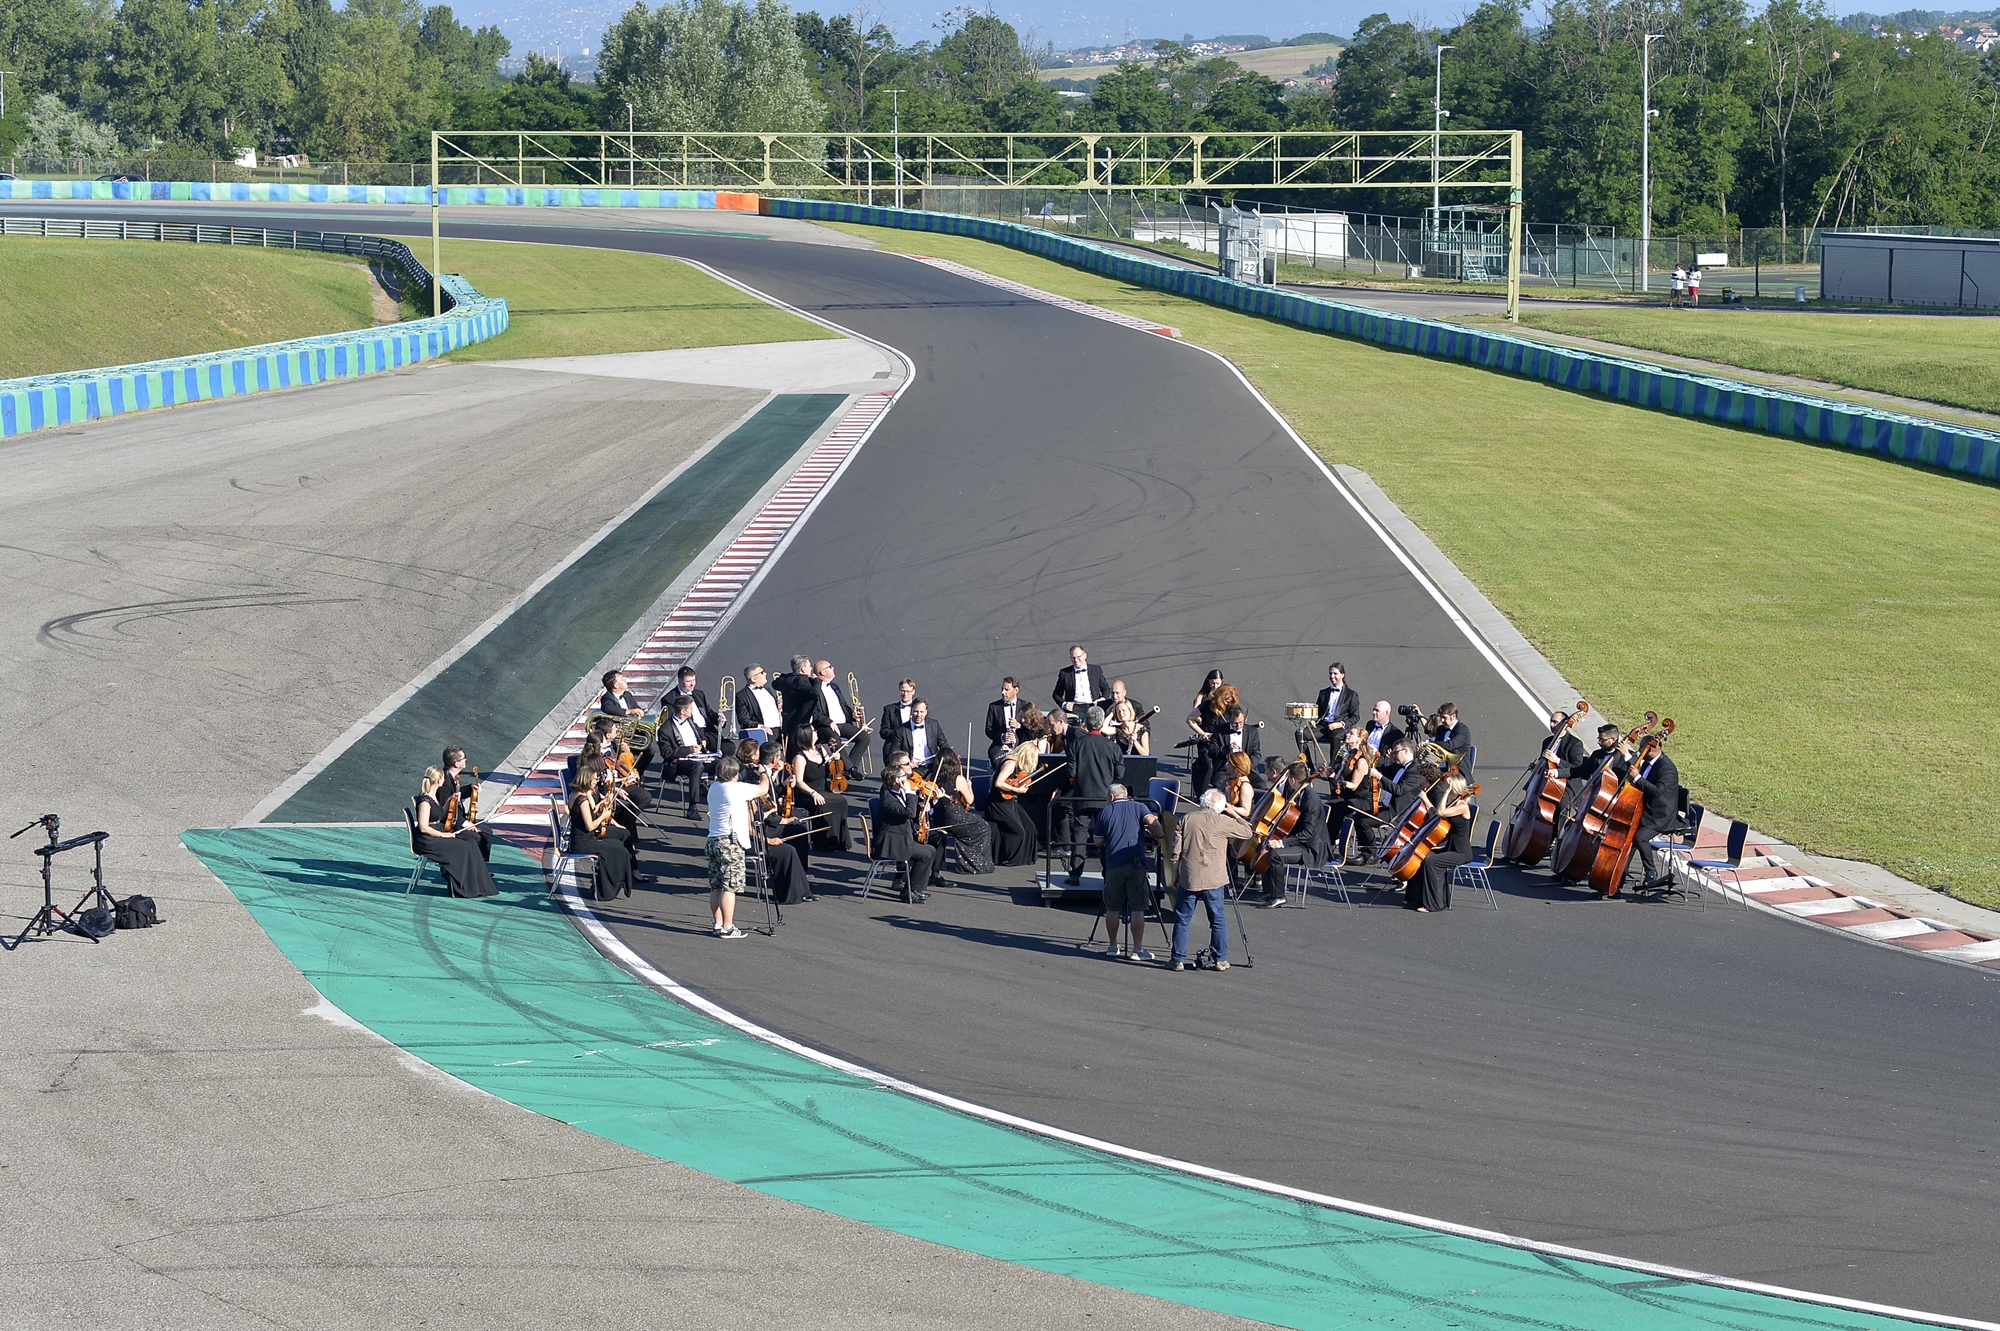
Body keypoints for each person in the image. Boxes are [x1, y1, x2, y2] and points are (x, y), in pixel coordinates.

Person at [1168, 788, 1252, 970]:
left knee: (1182, 919)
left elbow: (1175, 851)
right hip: (1214, 879)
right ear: (1219, 806)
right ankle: (1220, 959)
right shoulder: (1223, 821)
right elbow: (1247, 832)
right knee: (1217, 920)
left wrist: (1175, 873)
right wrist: (1233, 813)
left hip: (1189, 878)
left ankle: (1177, 959)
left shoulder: (1186, 819)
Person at [1091, 783, 1161, 960]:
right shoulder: (1139, 807)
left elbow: (1098, 841)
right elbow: (1154, 823)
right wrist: (1158, 836)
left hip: (1113, 864)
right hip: (1136, 863)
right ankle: (1138, 949)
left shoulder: (1105, 812)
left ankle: (1113, 945)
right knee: (1137, 908)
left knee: (1112, 907)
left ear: (1112, 797)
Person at [413, 758, 497, 898]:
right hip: (428, 840)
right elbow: (423, 828)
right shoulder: (425, 801)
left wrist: (450, 801)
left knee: (470, 843)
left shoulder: (433, 796)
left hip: (435, 833)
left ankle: (477, 883)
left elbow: (439, 815)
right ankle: (462, 887)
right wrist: (443, 835)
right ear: (439, 780)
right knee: (463, 846)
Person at [1061, 706, 1124, 885]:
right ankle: (1107, 874)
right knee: (1106, 836)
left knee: (1080, 835)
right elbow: (1119, 774)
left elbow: (1070, 771)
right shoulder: (1112, 747)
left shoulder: (1077, 745)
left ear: (1087, 723)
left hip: (1082, 797)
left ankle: (1074, 874)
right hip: (1105, 798)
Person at [1255, 760, 1331, 907]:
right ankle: (1269, 891)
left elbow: (1308, 833)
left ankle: (1279, 896)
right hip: (1302, 842)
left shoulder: (1311, 800)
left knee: (1276, 854)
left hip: (1312, 849)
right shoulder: (1300, 792)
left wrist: (1282, 842)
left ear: (1293, 780)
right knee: (1267, 846)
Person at [705, 755, 765, 937]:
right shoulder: (735, 789)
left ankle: (718, 923)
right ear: (734, 775)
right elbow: (763, 789)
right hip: (730, 842)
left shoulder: (714, 787)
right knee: (730, 886)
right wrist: (765, 773)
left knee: (716, 885)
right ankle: (728, 927)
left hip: (713, 839)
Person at [756, 740, 814, 904]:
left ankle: (801, 877)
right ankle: (795, 886)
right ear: (774, 759)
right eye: (779, 756)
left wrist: (783, 785)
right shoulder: (760, 777)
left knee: (801, 832)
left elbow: (771, 798)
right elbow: (761, 810)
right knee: (790, 848)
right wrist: (784, 820)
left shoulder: (767, 773)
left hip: (770, 823)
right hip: (764, 829)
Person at [877, 753, 940, 904]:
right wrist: (910, 792)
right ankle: (908, 892)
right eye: (904, 779)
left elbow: (912, 808)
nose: (907, 781)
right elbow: (909, 813)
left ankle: (916, 889)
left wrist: (932, 801)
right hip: (892, 842)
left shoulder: (897, 792)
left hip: (902, 836)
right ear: (897, 780)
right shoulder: (888, 799)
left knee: (930, 850)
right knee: (925, 855)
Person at [1407, 774, 1474, 913]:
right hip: (1451, 848)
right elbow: (1438, 816)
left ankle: (1434, 904)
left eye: (1447, 785)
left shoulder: (1462, 806)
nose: (1444, 787)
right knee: (1421, 855)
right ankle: (1414, 898)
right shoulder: (1454, 804)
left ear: (1454, 787)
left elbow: (1440, 811)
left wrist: (1447, 792)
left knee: (1432, 862)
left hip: (1461, 852)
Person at [1623, 738, 1683, 893]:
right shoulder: (1649, 763)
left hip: (1661, 815)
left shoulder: (1666, 768)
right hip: (1646, 811)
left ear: (1652, 748)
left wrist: (1637, 777)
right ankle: (1620, 875)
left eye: (1642, 749)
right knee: (1630, 840)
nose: (1640, 752)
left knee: (1640, 837)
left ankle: (1651, 872)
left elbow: (1657, 791)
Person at [569, 767, 634, 902]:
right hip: (582, 843)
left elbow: (587, 815)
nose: (595, 782)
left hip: (582, 839)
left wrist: (601, 805)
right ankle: (605, 890)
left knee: (617, 843)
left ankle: (612, 883)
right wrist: (604, 815)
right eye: (593, 779)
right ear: (586, 780)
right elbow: (590, 826)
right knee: (619, 850)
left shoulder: (574, 794)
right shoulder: (583, 801)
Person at [926, 750, 994, 877]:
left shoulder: (931, 777)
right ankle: (974, 863)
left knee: (973, 825)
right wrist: (969, 786)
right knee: (982, 826)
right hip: (955, 817)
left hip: (938, 817)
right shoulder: (958, 779)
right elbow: (970, 800)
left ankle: (967, 858)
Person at [790, 724, 852, 853]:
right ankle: (822, 841)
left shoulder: (821, 749)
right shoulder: (800, 757)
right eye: (813, 731)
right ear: (806, 735)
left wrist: (836, 759)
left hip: (824, 789)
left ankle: (838, 841)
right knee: (823, 804)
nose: (816, 732)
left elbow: (831, 767)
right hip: (807, 792)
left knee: (841, 801)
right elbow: (799, 782)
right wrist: (813, 793)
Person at [658, 694, 713, 818]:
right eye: (690, 709)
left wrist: (703, 741)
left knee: (722, 764)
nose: (692, 711)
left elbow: (701, 734)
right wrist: (688, 750)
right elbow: (667, 754)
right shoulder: (665, 729)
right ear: (683, 711)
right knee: (697, 767)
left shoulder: (690, 721)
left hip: (699, 757)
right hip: (679, 763)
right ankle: (692, 807)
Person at [987, 741, 1041, 866]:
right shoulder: (1010, 763)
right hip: (998, 803)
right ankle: (1010, 859)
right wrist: (1017, 790)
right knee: (1018, 831)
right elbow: (998, 783)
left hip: (1008, 801)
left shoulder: (1016, 765)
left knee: (1030, 827)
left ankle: (1026, 858)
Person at [659, 665, 716, 752]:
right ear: (680, 681)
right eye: (688, 681)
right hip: (692, 732)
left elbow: (708, 712)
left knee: (729, 747)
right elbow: (674, 721)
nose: (692, 684)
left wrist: (719, 718)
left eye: (694, 680)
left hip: (707, 731)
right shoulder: (669, 699)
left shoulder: (699, 694)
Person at [812, 659, 863, 745]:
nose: (833, 668)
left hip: (843, 724)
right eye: (830, 667)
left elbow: (844, 706)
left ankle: (850, 759)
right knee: (835, 740)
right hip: (828, 726)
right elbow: (814, 713)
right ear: (823, 672)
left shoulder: (834, 686)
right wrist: (829, 722)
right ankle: (844, 759)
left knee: (863, 737)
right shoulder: (815, 689)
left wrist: (852, 715)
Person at [1051, 644, 1110, 716]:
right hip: (1075, 708)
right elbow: (1056, 694)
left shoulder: (1096, 670)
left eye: (1078, 657)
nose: (1076, 660)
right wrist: (1064, 704)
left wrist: (1103, 700)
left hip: (1094, 706)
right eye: (1073, 658)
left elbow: (1106, 688)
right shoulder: (1065, 673)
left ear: (1085, 655)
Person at [887, 698, 945, 769]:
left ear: (926, 712)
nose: (918, 715)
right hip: (912, 769)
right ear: (911, 711)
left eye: (921, 712)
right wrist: (907, 762)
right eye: (916, 711)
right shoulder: (900, 730)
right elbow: (894, 753)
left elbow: (944, 745)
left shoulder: (934, 725)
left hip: (933, 766)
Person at [1315, 662, 1361, 748]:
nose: (1332, 676)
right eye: (1330, 673)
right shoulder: (1323, 693)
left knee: (1335, 737)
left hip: (1339, 727)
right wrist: (1312, 720)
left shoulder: (1351, 695)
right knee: (1301, 734)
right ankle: (1307, 761)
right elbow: (1317, 712)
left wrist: (1340, 724)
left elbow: (1355, 716)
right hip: (1323, 725)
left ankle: (1333, 762)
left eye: (1335, 673)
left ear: (1342, 675)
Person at [985, 676, 1028, 765]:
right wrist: (1002, 736)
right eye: (1002, 689)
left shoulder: (1025, 706)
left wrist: (1019, 726)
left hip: (1020, 745)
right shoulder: (994, 707)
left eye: (1006, 690)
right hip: (1001, 745)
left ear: (1016, 690)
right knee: (996, 758)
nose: (1003, 692)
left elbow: (1032, 727)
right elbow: (988, 730)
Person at [737, 663, 785, 737]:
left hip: (780, 730)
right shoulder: (742, 696)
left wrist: (779, 707)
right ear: (754, 678)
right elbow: (744, 720)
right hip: (763, 733)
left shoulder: (768, 690)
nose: (765, 674)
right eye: (762, 673)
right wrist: (761, 727)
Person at [879, 678, 917, 766]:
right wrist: (900, 734)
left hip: (913, 743)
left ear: (913, 691)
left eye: (908, 691)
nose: (905, 694)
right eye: (902, 691)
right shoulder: (889, 709)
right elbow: (883, 732)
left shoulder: (918, 709)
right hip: (894, 744)